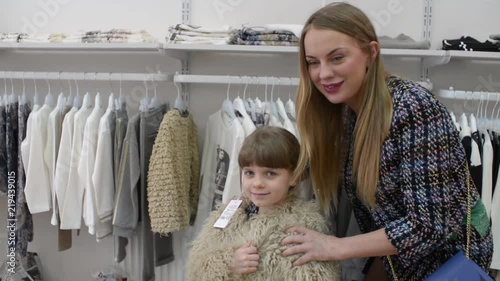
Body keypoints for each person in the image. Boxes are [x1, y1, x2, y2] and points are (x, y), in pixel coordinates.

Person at [281, 2, 493, 280]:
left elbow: (427, 227)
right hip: (401, 262)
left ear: (370, 53)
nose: (323, 74)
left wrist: (335, 246)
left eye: (336, 58)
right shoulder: (346, 114)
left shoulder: (412, 109)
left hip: (449, 265)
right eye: (313, 63)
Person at [187, 127, 339, 281]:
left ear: (294, 177)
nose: (257, 183)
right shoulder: (231, 211)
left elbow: (315, 276)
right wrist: (227, 265)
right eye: (249, 173)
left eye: (270, 173)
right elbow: (195, 266)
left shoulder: (300, 228)